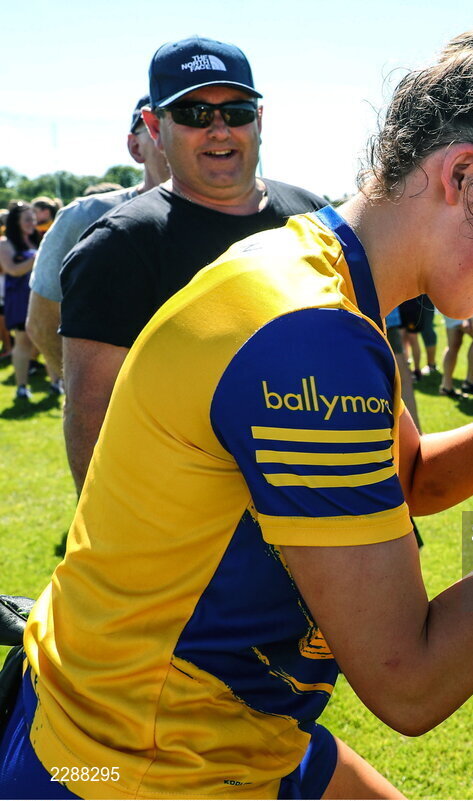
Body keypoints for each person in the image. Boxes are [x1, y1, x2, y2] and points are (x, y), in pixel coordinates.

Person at [0, 23, 473, 801]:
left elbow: (411, 477)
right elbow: (410, 682)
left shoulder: (315, 273)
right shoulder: (310, 333)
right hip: (137, 763)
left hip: (203, 719)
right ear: (461, 174)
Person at [59, 37, 325, 493]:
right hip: (198, 530)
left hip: (326, 497)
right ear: (155, 127)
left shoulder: (312, 217)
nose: (219, 129)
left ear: (259, 120)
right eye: (194, 114)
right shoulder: (119, 247)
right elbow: (91, 415)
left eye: (236, 112)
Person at [26, 96, 170, 389]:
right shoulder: (85, 217)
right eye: (159, 127)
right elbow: (42, 324)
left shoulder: (255, 215)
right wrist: (84, 396)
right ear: (135, 147)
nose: (179, 135)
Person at [0, 201, 56, 400]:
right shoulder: (5, 243)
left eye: (33, 219)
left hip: (42, 295)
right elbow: (12, 270)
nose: (32, 223)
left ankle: (55, 383)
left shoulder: (38, 240)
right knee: (23, 341)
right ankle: (22, 387)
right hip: (20, 298)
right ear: (16, 222)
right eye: (27, 219)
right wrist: (40, 256)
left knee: (48, 339)